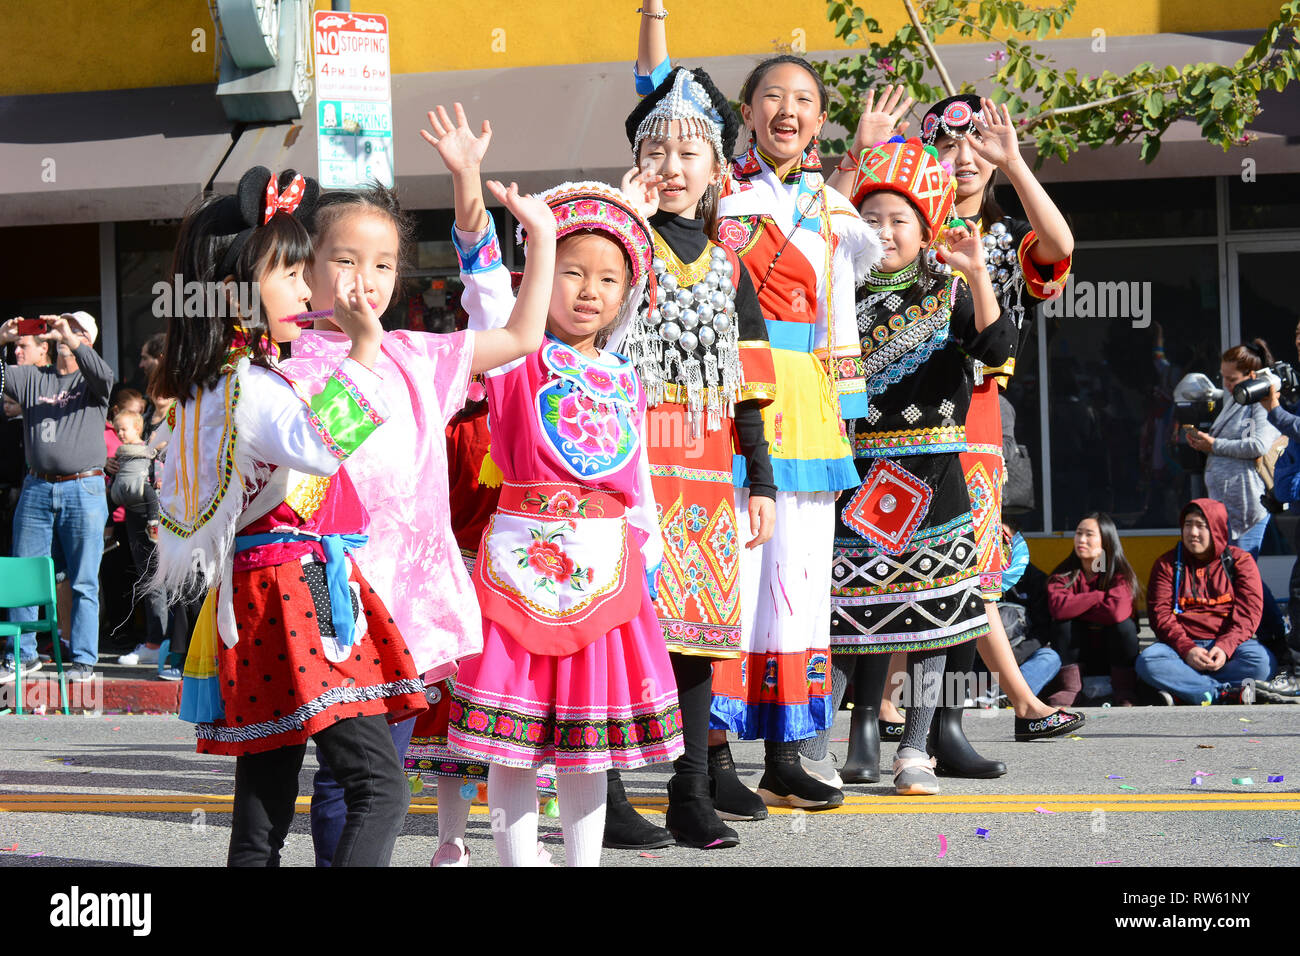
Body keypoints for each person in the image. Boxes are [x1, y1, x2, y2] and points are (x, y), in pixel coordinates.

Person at [638, 8, 882, 813]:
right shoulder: (712, 182)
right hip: (725, 395)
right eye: (772, 96)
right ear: (743, 114)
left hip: (807, 406)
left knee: (801, 581)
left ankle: (786, 750)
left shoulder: (833, 210)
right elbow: (656, 98)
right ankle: (710, 759)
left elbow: (842, 312)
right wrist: (655, 17)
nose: (789, 109)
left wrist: (846, 405)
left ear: (818, 119)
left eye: (804, 99)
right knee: (725, 576)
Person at [151, 166, 429, 867]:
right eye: (291, 276)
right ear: (238, 291)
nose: (309, 291)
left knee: (265, 804)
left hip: (252, 593)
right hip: (296, 592)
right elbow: (320, 446)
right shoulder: (250, 384)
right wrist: (366, 344)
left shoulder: (207, 383)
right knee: (378, 785)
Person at [286, 150, 555, 867]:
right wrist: (364, 349)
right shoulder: (297, 366)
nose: (364, 280)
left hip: (413, 600)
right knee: (356, 779)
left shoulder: (418, 353)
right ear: (309, 271)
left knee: (384, 773)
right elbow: (323, 445)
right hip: (333, 595)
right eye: (345, 261)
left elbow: (523, 338)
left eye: (381, 264)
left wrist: (545, 242)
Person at [441, 155, 684, 864]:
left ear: (627, 295)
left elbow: (636, 483)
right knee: (511, 746)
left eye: (609, 279)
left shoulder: (625, 378)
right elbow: (483, 281)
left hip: (606, 571)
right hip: (522, 566)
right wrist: (467, 180)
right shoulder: (518, 358)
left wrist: (651, 562)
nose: (589, 291)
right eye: (573, 272)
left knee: (589, 746)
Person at [800, 134, 1013, 796]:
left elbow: (997, 343)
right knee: (838, 618)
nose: (885, 232)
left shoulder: (949, 289)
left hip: (933, 476)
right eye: (873, 218)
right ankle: (813, 748)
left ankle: (913, 752)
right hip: (855, 475)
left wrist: (979, 275)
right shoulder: (839, 291)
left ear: (926, 228)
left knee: (935, 621)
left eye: (900, 220)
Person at [622, 32, 777, 847]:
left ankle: (688, 792)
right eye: (659, 151)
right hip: (628, 469)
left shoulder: (727, 264)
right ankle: (605, 790)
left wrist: (763, 484)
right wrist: (620, 217)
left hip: (710, 473)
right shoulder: (616, 243)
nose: (674, 166)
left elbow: (752, 388)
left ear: (719, 168)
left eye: (690, 151)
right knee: (613, 633)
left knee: (696, 645)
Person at [0, 311, 113, 684]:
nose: (66, 331)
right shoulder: (34, 376)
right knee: (23, 572)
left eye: (77, 328)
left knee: (83, 578)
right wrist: (2, 340)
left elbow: (104, 377)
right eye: (62, 326)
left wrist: (70, 337)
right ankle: (22, 654)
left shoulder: (92, 379)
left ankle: (83, 659)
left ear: (89, 340)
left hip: (84, 486)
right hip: (38, 484)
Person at [1137, 498, 1274, 704]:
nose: (1192, 532)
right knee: (1148, 661)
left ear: (1217, 529)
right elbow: (1160, 615)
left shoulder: (1240, 561)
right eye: (1188, 525)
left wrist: (1225, 647)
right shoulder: (1167, 564)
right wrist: (1187, 649)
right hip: (1180, 649)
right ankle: (1223, 693)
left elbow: (1249, 614)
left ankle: (1189, 690)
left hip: (1229, 648)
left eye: (1201, 526)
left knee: (1262, 663)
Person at [1045, 513, 1141, 707]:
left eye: (1089, 534)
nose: (1081, 539)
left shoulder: (1120, 575)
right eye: (1078, 533)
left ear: (1105, 540)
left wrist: (1076, 606)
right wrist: (1098, 596)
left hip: (1112, 656)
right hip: (1076, 655)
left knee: (1125, 627)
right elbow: (1058, 608)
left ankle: (1124, 691)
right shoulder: (1063, 574)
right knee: (1063, 624)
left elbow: (1116, 612)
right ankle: (1070, 689)